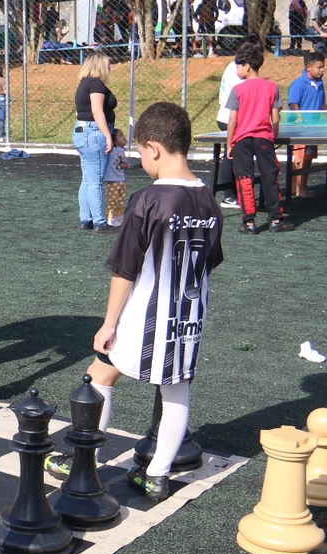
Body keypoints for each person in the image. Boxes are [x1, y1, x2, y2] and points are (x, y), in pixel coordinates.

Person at [44, 102, 224, 502]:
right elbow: (210, 262)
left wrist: (109, 323)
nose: (140, 160)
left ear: (155, 148)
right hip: (190, 317)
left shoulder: (148, 200)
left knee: (99, 376)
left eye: (141, 152)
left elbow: (124, 269)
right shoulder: (210, 201)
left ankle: (81, 459)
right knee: (176, 390)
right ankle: (157, 475)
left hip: (145, 315)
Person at [226, 42, 295, 233]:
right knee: (269, 177)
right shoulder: (272, 87)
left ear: (247, 66)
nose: (237, 70)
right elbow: (275, 118)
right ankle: (276, 220)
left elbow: (232, 121)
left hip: (242, 140)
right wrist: (273, 134)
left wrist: (230, 143)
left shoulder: (238, 90)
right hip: (264, 138)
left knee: (244, 178)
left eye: (238, 66)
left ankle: (249, 222)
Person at [72, 51, 118, 232]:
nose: (110, 68)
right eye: (108, 64)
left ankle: (86, 218)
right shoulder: (96, 84)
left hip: (83, 132)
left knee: (88, 179)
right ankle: (99, 221)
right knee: (95, 181)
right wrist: (108, 135)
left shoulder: (84, 83)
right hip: (93, 132)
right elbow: (97, 111)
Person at [214, 36, 257, 208]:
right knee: (230, 155)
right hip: (230, 118)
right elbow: (242, 98)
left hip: (232, 117)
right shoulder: (237, 70)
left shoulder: (235, 66)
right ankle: (229, 196)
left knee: (234, 155)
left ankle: (236, 193)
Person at [286, 51, 325, 198]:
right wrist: (298, 118)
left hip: (314, 128)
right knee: (300, 158)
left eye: (323, 67)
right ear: (309, 67)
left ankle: (301, 188)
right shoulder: (298, 84)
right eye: (319, 67)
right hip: (300, 130)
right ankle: (298, 188)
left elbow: (321, 105)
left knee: (308, 158)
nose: (322, 70)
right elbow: (293, 104)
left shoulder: (320, 84)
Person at [104, 128, 129, 226]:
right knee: (113, 199)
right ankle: (111, 217)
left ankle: (118, 215)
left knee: (121, 198)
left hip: (121, 179)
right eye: (120, 135)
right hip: (112, 179)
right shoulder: (112, 149)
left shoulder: (121, 149)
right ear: (114, 140)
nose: (124, 137)